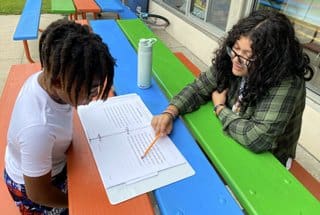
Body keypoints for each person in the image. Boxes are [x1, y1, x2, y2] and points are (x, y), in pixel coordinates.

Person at [151, 9, 313, 168]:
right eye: (235, 48)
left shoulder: (287, 83)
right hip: (232, 134)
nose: (236, 59)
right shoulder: (232, 59)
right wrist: (170, 112)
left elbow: (257, 138)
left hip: (270, 159)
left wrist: (220, 109)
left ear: (270, 60)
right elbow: (198, 88)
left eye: (248, 56)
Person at [4, 19, 115, 214]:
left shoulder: (49, 77)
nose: (94, 96)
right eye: (89, 90)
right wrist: (78, 202)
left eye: (97, 87)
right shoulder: (38, 129)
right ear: (57, 81)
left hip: (49, 164)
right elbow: (38, 193)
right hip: (38, 189)